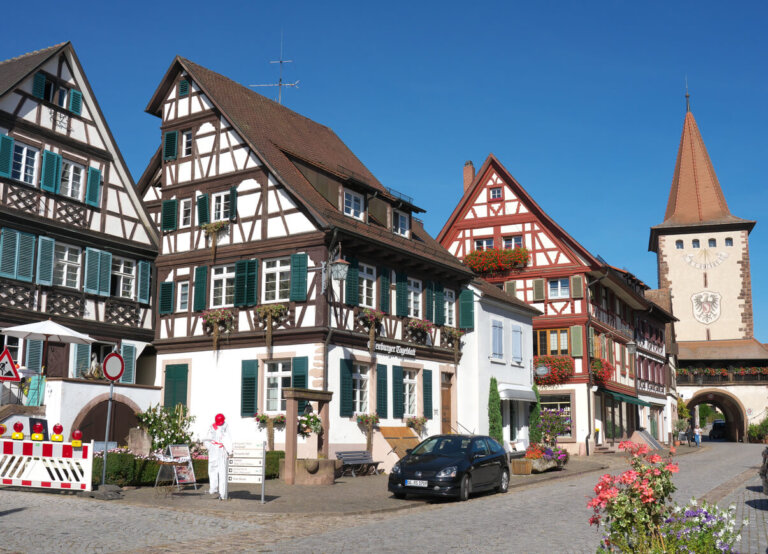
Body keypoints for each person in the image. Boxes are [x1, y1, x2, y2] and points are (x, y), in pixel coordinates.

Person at [204, 413, 233, 500]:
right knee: (212, 469)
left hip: (221, 450)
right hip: (213, 450)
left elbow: (228, 439)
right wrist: (210, 447)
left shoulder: (226, 427)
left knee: (222, 472)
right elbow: (206, 439)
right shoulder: (212, 426)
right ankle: (213, 488)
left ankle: (222, 493)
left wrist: (229, 451)